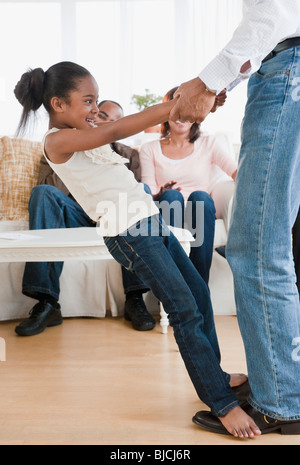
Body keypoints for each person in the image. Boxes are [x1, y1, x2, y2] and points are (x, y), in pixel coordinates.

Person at [14, 60, 262, 438]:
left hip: (150, 222)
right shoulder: (57, 142)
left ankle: (217, 375)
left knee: (198, 294)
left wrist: (200, 99)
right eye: (87, 100)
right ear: (58, 105)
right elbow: (118, 126)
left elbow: (113, 125)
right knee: (183, 308)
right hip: (129, 233)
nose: (95, 108)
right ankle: (221, 402)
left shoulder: (84, 126)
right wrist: (178, 105)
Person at [171, 0, 300, 436]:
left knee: (257, 248)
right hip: (284, 71)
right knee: (269, 245)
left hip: (290, 73)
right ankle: (282, 383)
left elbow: (278, 13)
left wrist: (208, 81)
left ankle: (283, 402)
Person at [16, 100, 156, 336]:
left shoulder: (128, 154)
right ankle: (46, 302)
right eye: (102, 116)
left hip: (114, 218)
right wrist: (73, 156)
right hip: (78, 214)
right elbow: (48, 192)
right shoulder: (58, 144)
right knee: (42, 194)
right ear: (92, 117)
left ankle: (135, 298)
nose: (107, 123)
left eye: (115, 121)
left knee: (142, 192)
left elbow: (133, 197)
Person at [139, 86, 237, 285]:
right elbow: (148, 190)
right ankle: (175, 284)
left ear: (196, 113)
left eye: (186, 109)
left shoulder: (209, 143)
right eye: (175, 109)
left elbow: (237, 173)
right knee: (172, 196)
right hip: (166, 207)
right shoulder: (149, 148)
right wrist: (162, 192)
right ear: (166, 113)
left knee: (200, 196)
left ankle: (199, 286)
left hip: (199, 210)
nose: (181, 116)